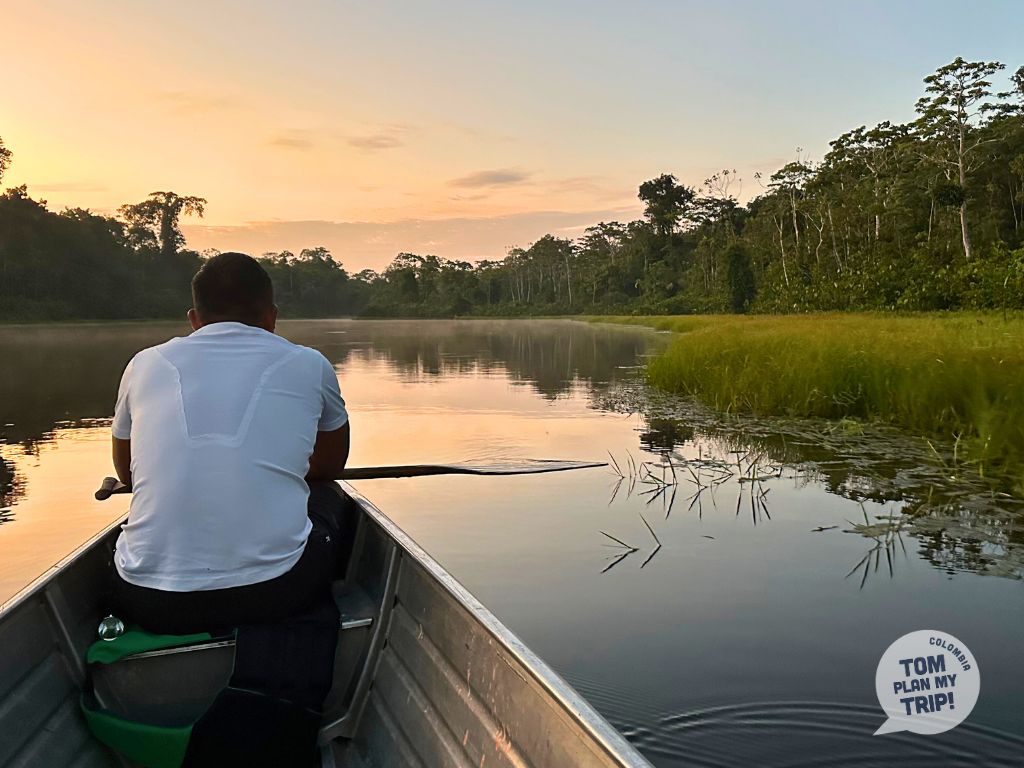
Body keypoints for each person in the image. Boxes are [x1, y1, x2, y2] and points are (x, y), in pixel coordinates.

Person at [107, 252, 353, 635]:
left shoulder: (143, 364)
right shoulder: (311, 363)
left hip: (148, 599)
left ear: (194, 319)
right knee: (327, 495)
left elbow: (127, 473)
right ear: (272, 317)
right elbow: (330, 467)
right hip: (276, 593)